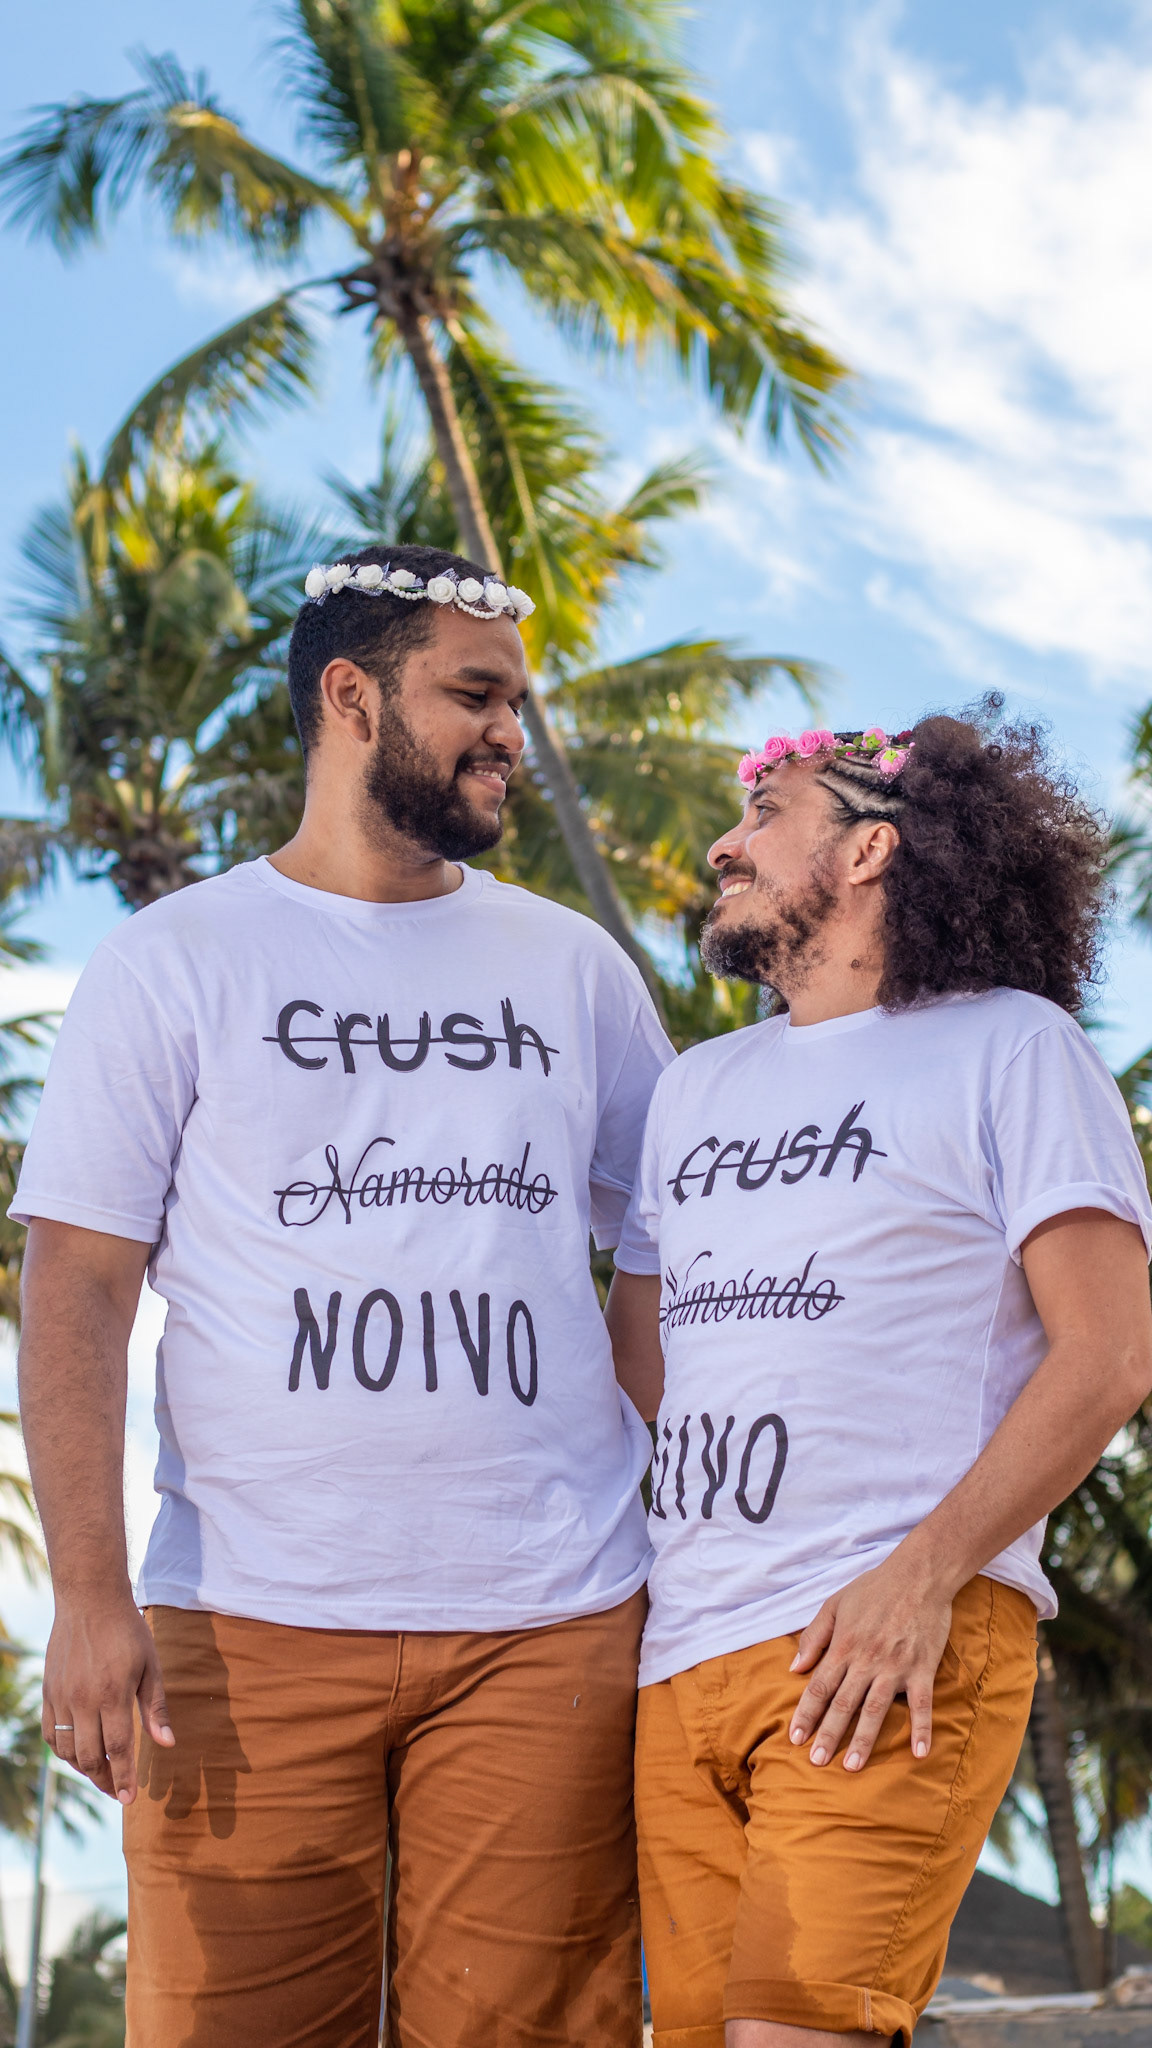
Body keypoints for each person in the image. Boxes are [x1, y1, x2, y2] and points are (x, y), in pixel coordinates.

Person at [14, 544, 672, 2048]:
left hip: (552, 1620)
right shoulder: (174, 958)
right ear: (352, 698)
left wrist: (659, 1479)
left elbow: (672, 1241)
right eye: (476, 695)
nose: (510, 733)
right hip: (244, 1621)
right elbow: (80, 1283)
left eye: (516, 703)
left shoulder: (573, 969)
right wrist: (90, 1595)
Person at [605, 711, 1152, 2048]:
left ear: (869, 851)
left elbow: (1111, 1355)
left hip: (892, 1633)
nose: (724, 846)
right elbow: (646, 1350)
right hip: (685, 1656)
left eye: (765, 814)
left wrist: (919, 1577)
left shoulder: (1013, 1048)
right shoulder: (696, 1089)